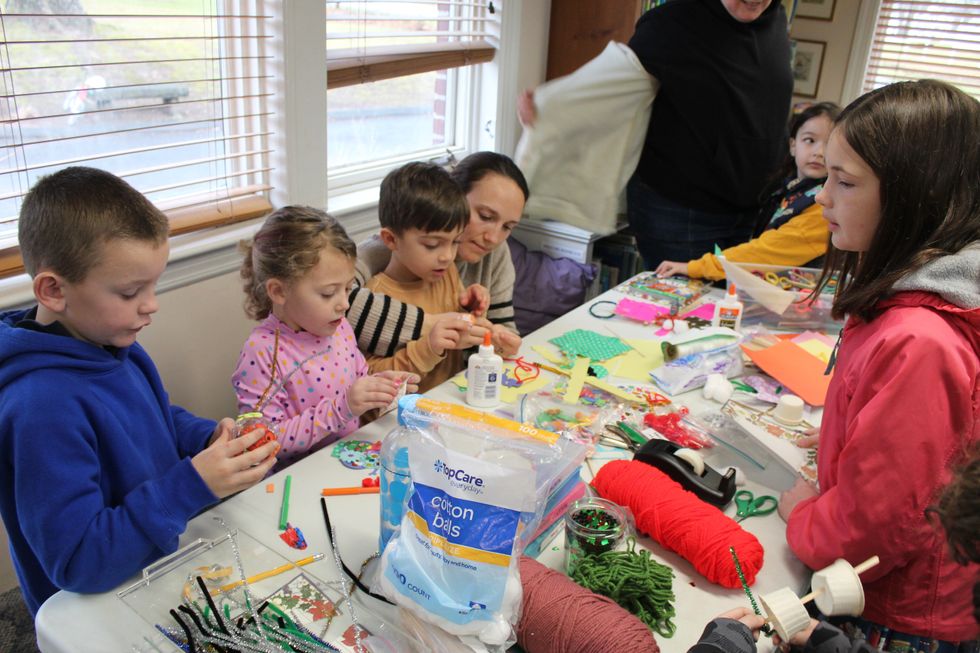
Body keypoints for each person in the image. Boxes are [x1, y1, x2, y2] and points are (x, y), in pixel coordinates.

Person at [0, 167, 279, 616]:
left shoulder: (111, 342)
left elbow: (154, 416)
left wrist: (203, 439)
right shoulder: (39, 408)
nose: (151, 304)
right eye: (131, 291)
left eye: (153, 285)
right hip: (97, 608)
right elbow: (78, 563)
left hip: (156, 562)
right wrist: (192, 485)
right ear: (53, 290)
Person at [777, 79, 980, 647]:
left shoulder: (921, 340)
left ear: (918, 198)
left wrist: (805, 517)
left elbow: (878, 528)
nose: (821, 197)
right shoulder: (905, 306)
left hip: (900, 615)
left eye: (844, 183)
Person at [519, 0, 793, 271]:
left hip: (751, 209)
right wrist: (550, 110)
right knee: (683, 310)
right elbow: (614, 83)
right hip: (682, 211)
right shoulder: (673, 22)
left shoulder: (774, 19)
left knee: (730, 310)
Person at [232, 206, 420, 472]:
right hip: (295, 480)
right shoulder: (263, 352)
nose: (344, 303)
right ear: (279, 291)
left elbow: (355, 379)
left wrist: (378, 386)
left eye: (347, 288)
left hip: (345, 463)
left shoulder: (337, 325)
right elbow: (263, 441)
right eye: (329, 293)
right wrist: (341, 408)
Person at [349, 151, 527, 358]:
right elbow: (339, 304)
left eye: (508, 226)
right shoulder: (384, 250)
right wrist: (441, 326)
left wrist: (500, 342)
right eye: (485, 216)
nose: (494, 238)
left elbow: (501, 331)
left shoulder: (494, 252)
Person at [656, 102, 840, 280]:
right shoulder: (788, 189)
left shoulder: (824, 206)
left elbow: (765, 252)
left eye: (829, 144)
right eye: (810, 140)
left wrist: (696, 267)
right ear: (793, 145)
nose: (819, 152)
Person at [361, 162, 486, 392]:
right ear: (390, 239)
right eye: (432, 245)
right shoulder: (375, 299)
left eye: (456, 241)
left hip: (449, 403)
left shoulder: (446, 274)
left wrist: (472, 314)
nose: (447, 256)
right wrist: (428, 348)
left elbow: (459, 340)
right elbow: (370, 378)